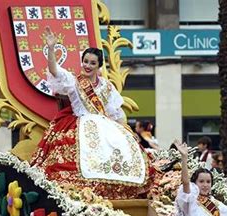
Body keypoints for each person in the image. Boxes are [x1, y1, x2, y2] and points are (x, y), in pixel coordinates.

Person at [30, 27, 150, 199]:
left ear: (99, 66)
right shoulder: (73, 81)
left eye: (92, 63)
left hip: (105, 126)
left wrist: (126, 132)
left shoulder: (106, 86)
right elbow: (55, 70)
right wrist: (50, 48)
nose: (87, 66)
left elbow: (116, 113)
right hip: (80, 125)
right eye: (85, 61)